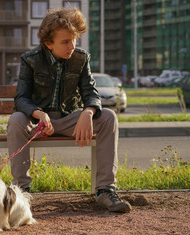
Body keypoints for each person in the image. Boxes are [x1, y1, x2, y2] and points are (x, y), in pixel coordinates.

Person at [7, 7, 131, 213]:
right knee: (16, 119)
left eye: (74, 40)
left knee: (109, 116)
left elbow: (91, 92)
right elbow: (21, 99)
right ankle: (22, 192)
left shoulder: (81, 59)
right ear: (48, 43)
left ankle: (105, 190)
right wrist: (38, 114)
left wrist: (88, 112)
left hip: (67, 121)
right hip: (38, 123)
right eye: (65, 41)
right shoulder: (30, 60)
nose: (71, 46)